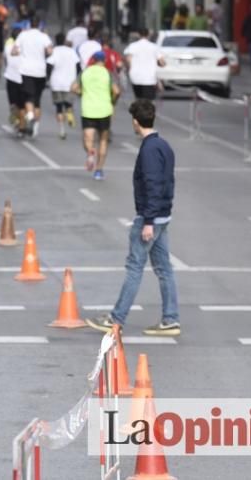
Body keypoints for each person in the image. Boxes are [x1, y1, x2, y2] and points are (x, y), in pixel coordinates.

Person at [87, 99, 179, 336]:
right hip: (162, 216)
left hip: (150, 218)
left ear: (136, 122)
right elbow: (167, 182)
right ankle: (170, 318)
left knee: (135, 268)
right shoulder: (163, 145)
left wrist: (148, 221)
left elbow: (152, 184)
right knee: (164, 269)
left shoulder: (148, 149)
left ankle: (116, 318)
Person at [72, 51, 120, 180]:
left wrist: (82, 93)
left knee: (88, 139)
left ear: (93, 60)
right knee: (103, 140)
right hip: (104, 110)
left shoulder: (85, 72)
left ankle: (90, 152)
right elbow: (116, 91)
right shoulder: (107, 73)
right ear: (104, 60)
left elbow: (73, 88)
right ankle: (99, 170)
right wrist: (112, 100)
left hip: (88, 110)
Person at [11, 16, 54, 138]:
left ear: (29, 24)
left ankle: (30, 116)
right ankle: (35, 127)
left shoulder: (23, 35)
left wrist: (20, 53)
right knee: (37, 100)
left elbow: (14, 51)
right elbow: (50, 51)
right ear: (39, 24)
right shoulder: (44, 36)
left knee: (28, 97)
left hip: (26, 70)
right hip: (41, 71)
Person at [47, 33, 80, 139]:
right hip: (70, 83)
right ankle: (69, 112)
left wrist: (47, 78)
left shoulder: (54, 51)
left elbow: (49, 65)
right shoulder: (71, 51)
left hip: (56, 83)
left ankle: (62, 130)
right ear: (65, 40)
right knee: (68, 104)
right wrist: (77, 78)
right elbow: (78, 65)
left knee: (59, 107)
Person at [124, 29, 164, 100]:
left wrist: (128, 70)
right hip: (150, 78)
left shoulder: (132, 46)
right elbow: (162, 62)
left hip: (135, 77)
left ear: (138, 35)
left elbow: (128, 60)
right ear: (148, 35)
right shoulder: (154, 47)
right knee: (148, 101)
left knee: (139, 98)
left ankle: (139, 110)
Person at [4, 28, 25, 131]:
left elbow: (6, 60)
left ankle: (16, 117)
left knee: (13, 103)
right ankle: (21, 125)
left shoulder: (8, 46)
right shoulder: (24, 48)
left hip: (10, 77)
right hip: (23, 78)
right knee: (22, 105)